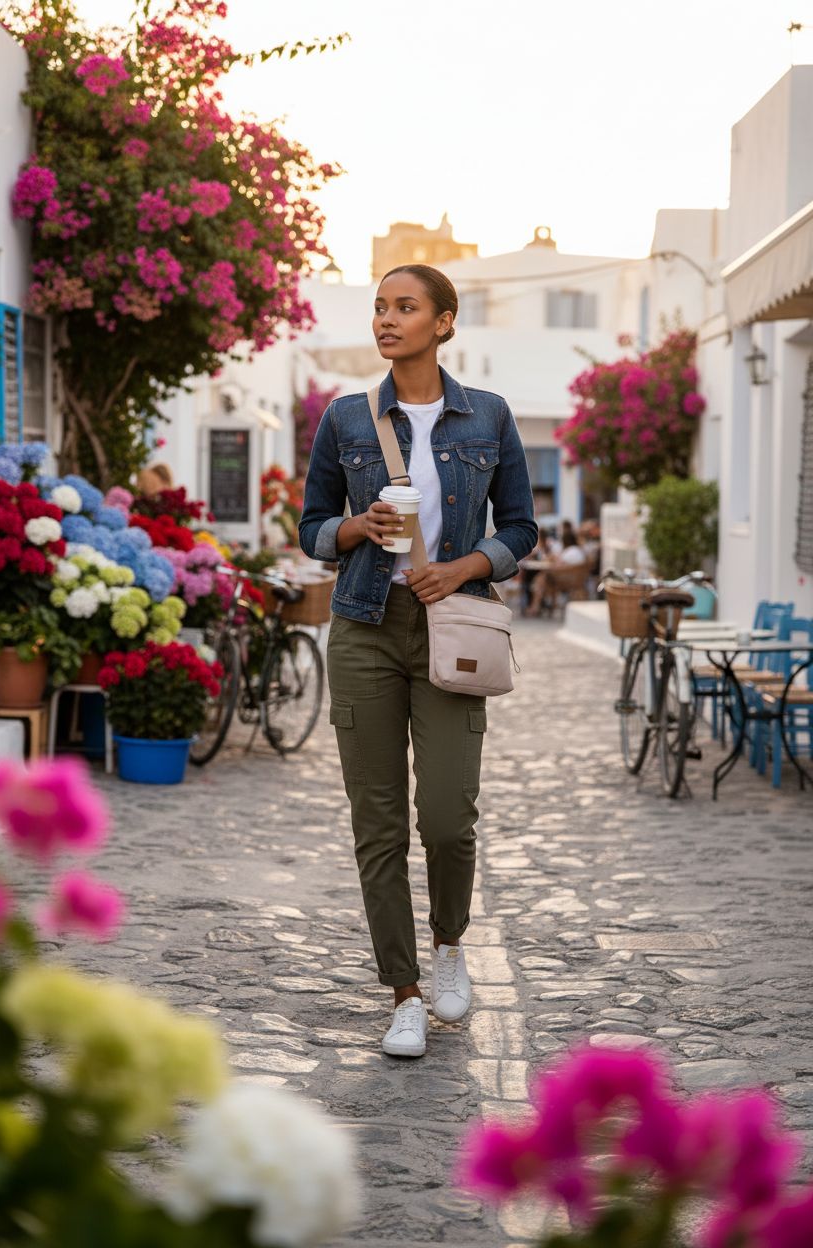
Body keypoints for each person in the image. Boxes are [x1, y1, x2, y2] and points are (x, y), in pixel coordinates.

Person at [299, 264, 537, 1059]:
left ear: (444, 322)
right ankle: (403, 992)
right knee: (377, 822)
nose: (387, 320)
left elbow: (520, 530)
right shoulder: (345, 419)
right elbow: (310, 529)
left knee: (444, 814)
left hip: (450, 625)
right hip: (364, 625)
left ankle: (447, 947)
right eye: (379, 308)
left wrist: (465, 567)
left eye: (405, 308)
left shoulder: (491, 418)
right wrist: (356, 528)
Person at [526, 526, 587, 616]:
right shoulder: (577, 550)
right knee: (541, 578)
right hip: (573, 579)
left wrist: (553, 560)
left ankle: (535, 606)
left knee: (540, 579)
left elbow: (559, 564)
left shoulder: (570, 551)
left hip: (564, 579)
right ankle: (538, 605)